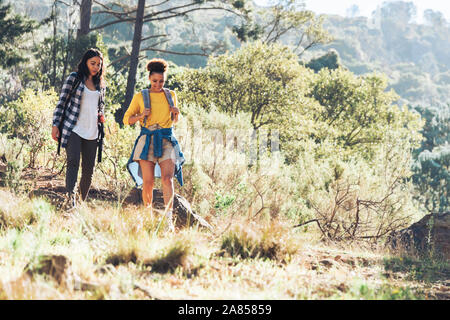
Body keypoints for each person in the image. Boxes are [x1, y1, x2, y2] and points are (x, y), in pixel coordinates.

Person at [124, 58, 184, 232]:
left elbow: (174, 120)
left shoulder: (171, 95)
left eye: (161, 81)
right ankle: (148, 218)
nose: (158, 84)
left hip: (166, 138)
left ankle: (168, 222)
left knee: (167, 179)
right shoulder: (140, 96)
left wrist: (177, 114)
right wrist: (141, 115)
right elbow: (126, 119)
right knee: (148, 182)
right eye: (155, 81)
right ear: (149, 79)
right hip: (147, 139)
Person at [51, 48, 106, 209]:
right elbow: (62, 102)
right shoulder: (74, 79)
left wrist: (101, 118)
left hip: (92, 131)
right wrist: (56, 125)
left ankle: (81, 202)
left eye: (98, 64)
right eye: (92, 63)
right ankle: (70, 200)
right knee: (73, 161)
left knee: (89, 171)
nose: (95, 67)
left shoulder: (101, 85)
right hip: (73, 127)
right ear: (85, 63)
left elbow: (101, 107)